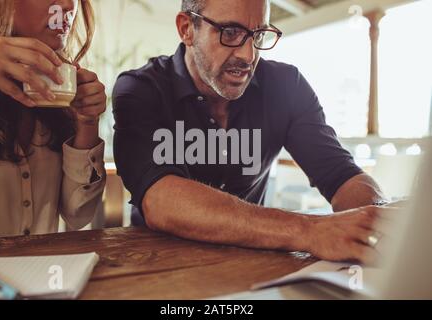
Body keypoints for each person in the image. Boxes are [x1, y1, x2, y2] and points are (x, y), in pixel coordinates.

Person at [113, 0, 392, 263]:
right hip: (156, 266)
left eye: (258, 34)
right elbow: (161, 199)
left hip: (254, 263)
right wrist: (309, 230)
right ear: (187, 29)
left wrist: (380, 219)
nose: (248, 55)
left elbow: (342, 175)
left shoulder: (287, 86)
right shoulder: (141, 89)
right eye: (230, 32)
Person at [0, 0, 107, 238]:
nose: (68, 5)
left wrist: (87, 123)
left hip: (44, 273)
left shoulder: (62, 86)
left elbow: (78, 214)